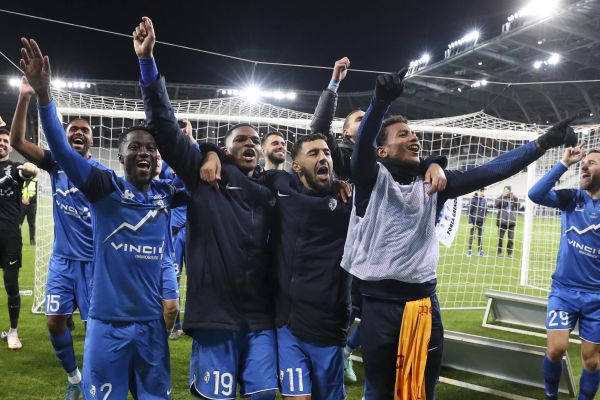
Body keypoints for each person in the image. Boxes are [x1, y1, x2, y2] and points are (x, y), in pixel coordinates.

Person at [342, 68, 578, 400]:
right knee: (379, 390)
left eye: (414, 133)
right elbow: (363, 143)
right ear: (382, 151)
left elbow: (491, 170)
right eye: (402, 134)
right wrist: (379, 102)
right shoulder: (370, 177)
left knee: (424, 389)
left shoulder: (435, 183)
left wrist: (542, 144)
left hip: (424, 302)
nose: (414, 138)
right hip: (379, 305)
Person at [20, 36, 180, 399]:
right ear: (119, 158)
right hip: (108, 327)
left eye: (151, 148)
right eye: (134, 147)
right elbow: (60, 149)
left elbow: (185, 149)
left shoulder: (166, 193)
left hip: (152, 328)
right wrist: (43, 96)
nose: (145, 152)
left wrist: (213, 151)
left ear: (158, 160)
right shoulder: (103, 188)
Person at [134, 17, 278, 400]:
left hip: (262, 317)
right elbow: (164, 127)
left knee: (263, 396)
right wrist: (147, 62)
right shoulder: (203, 175)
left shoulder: (271, 187)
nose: (250, 144)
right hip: (216, 316)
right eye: (241, 140)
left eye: (255, 141)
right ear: (227, 149)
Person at [9, 76, 108, 398]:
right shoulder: (55, 165)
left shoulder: (100, 176)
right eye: (73, 129)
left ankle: (95, 380)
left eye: (84, 130)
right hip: (62, 261)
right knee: (54, 322)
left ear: (92, 141)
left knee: (96, 331)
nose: (78, 133)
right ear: (64, 137)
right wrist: (26, 96)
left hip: (95, 264)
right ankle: (75, 379)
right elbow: (18, 143)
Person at [528, 142, 600, 400]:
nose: (584, 164)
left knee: (592, 362)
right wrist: (564, 164)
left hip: (597, 298)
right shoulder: (572, 198)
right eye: (583, 163)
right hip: (564, 292)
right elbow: (535, 194)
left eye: (591, 162)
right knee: (556, 349)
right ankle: (551, 396)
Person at [0, 127, 38, 350]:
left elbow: (25, 173)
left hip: (10, 238)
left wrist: (30, 169)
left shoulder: (14, 169)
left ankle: (13, 332)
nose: (2, 143)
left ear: (10, 146)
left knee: (11, 286)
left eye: (5, 140)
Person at [496, 185, 519, 257]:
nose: (506, 191)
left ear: (510, 191)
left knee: (511, 239)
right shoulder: (500, 197)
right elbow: (497, 204)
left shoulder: (512, 198)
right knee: (500, 238)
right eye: (504, 190)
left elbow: (518, 207)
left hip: (511, 221)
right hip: (502, 221)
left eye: (507, 190)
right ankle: (499, 252)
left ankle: (509, 253)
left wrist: (515, 198)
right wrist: (502, 196)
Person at [467, 188, 488, 257]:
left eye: (483, 191)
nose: (482, 192)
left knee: (480, 237)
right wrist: (470, 222)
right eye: (481, 191)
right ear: (477, 191)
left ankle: (480, 252)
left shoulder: (484, 200)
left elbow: (486, 211)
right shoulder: (473, 200)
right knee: (472, 236)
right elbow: (469, 211)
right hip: (473, 221)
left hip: (481, 222)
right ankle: (469, 251)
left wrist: (484, 219)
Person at [21, 176, 37, 245]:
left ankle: (32, 239)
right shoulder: (21, 180)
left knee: (32, 223)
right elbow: (18, 191)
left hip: (32, 205)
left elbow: (37, 194)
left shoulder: (36, 181)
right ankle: (16, 238)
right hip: (21, 204)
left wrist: (29, 199)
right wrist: (22, 199)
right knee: (18, 222)